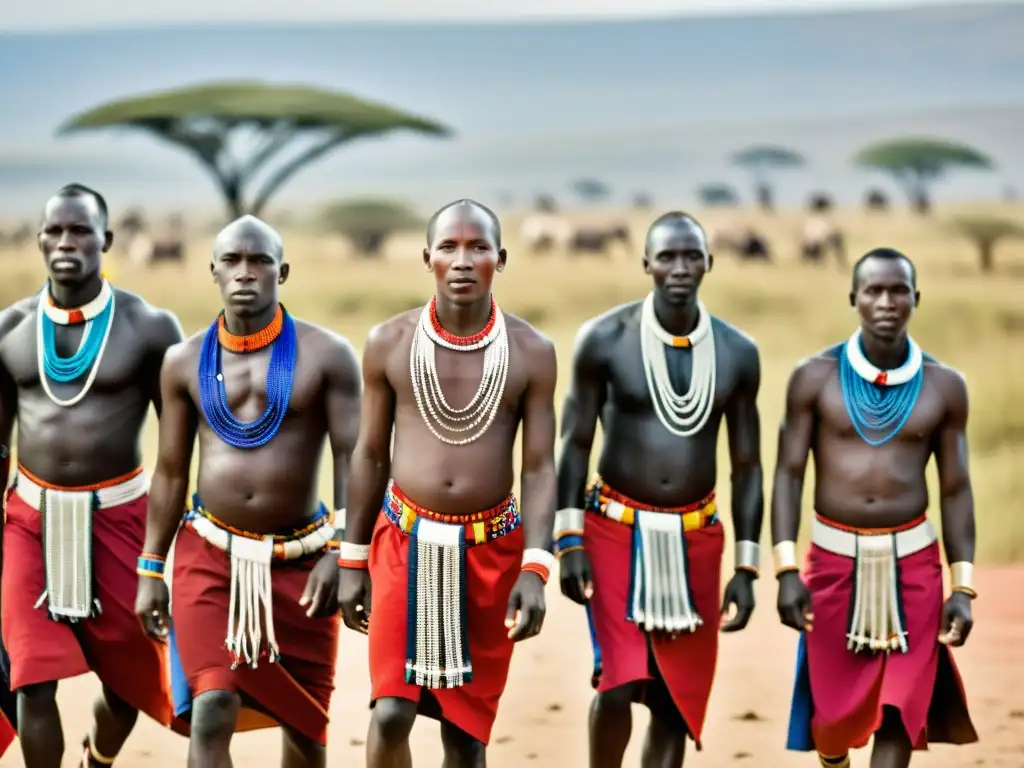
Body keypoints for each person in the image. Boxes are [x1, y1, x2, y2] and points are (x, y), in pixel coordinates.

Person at [135, 214, 361, 768]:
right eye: (232, 260)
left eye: (260, 261)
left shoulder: (327, 354)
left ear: (282, 271)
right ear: (212, 270)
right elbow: (169, 471)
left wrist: (342, 552)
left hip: (304, 565)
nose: (245, 272)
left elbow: (353, 457)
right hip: (210, 556)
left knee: (306, 728)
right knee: (212, 707)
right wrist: (150, 569)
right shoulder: (183, 361)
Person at [340, 199, 558, 767]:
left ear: (501, 259)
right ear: (427, 258)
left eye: (478, 247)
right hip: (401, 545)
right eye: (449, 247)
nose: (463, 261)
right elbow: (368, 454)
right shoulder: (388, 341)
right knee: (390, 714)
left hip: (492, 553)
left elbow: (538, 468)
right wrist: (351, 559)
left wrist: (536, 569)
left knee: (466, 735)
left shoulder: (532, 352)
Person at [554, 211, 764, 768]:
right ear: (645, 262)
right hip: (612, 531)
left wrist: (747, 568)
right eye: (666, 256)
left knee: (676, 696)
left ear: (709, 263)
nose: (679, 268)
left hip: (697, 537)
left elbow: (748, 465)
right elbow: (573, 444)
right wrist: (568, 539)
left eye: (691, 255)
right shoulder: (603, 340)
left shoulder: (737, 352)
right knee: (617, 681)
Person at [0, 183, 188, 767]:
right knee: (31, 678)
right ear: (38, 241)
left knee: (129, 687)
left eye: (80, 230)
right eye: (54, 231)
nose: (65, 242)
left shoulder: (151, 328)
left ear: (105, 240)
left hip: (120, 519)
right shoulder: (10, 329)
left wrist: (158, 557)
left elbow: (178, 455)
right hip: (29, 520)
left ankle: (98, 757)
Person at [772, 247, 979, 768]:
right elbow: (788, 475)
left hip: (915, 567)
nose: (886, 301)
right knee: (834, 722)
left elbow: (955, 489)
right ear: (854, 299)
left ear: (915, 298)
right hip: (833, 566)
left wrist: (962, 587)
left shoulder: (944, 386)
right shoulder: (814, 378)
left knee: (899, 710)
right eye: (874, 291)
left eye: (898, 291)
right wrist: (786, 571)